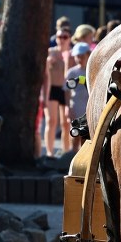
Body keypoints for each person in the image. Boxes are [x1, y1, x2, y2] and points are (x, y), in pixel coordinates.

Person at [41, 28, 71, 158]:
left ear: (69, 39)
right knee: (51, 121)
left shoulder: (71, 54)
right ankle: (49, 152)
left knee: (66, 123)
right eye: (59, 37)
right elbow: (44, 71)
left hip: (65, 90)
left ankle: (66, 151)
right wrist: (48, 61)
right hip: (52, 88)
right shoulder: (51, 52)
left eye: (65, 37)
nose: (62, 40)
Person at [66, 42, 92, 153]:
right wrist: (68, 108)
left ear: (88, 55)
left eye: (82, 56)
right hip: (76, 106)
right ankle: (73, 155)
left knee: (88, 133)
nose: (79, 59)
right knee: (75, 133)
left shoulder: (91, 71)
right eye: (77, 56)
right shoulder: (72, 72)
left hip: (88, 107)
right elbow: (67, 91)